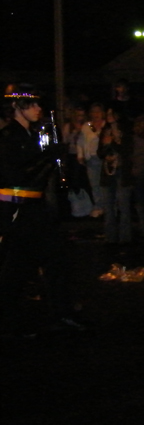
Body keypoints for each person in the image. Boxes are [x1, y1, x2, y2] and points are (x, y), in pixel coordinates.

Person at [0, 84, 85, 336]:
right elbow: (16, 176)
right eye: (33, 105)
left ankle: (57, 314)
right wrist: (47, 157)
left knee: (24, 267)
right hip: (17, 208)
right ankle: (59, 314)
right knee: (40, 263)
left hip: (33, 207)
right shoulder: (8, 137)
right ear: (17, 107)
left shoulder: (31, 134)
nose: (39, 109)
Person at [98, 104, 134, 245]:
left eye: (112, 114)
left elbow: (127, 150)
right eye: (108, 114)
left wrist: (113, 142)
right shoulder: (105, 131)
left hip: (122, 171)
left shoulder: (126, 131)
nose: (109, 117)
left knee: (123, 206)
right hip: (108, 171)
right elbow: (99, 152)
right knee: (108, 206)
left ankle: (125, 238)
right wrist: (106, 154)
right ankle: (110, 237)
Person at [77, 102, 107, 218]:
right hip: (91, 159)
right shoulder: (87, 126)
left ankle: (109, 206)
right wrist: (80, 155)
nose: (96, 114)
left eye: (98, 111)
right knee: (94, 184)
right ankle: (98, 206)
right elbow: (80, 142)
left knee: (105, 184)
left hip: (104, 159)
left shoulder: (106, 125)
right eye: (93, 112)